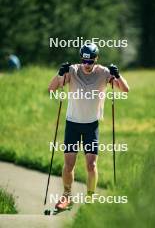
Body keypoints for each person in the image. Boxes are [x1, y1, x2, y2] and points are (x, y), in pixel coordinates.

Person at [48, 43, 130, 210]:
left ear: (96, 59)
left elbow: (125, 90)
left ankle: (90, 197)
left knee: (91, 165)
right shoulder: (72, 70)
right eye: (84, 61)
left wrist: (118, 76)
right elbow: (51, 89)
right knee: (69, 164)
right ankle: (66, 197)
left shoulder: (104, 73)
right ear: (81, 59)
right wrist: (59, 73)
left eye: (90, 62)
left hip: (91, 125)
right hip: (72, 123)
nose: (87, 65)